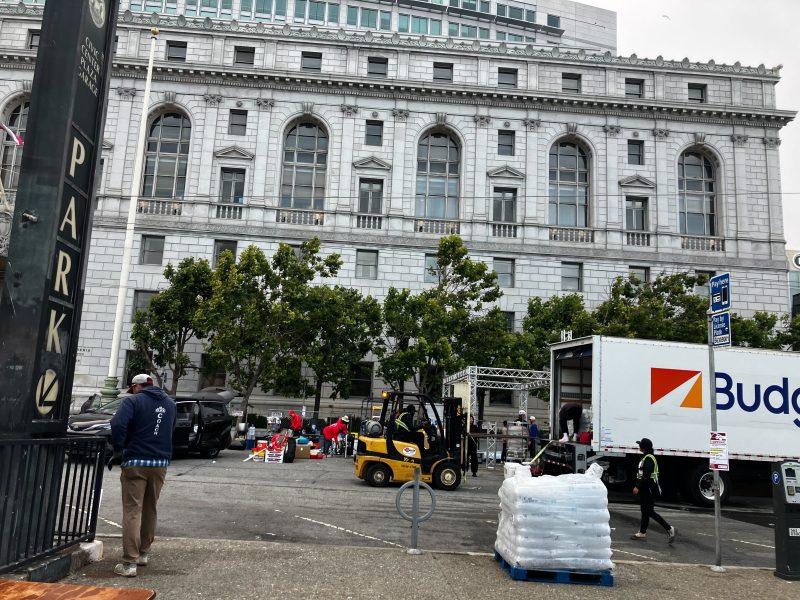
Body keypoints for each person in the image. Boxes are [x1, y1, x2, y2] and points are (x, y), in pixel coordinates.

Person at [109, 374, 176, 577]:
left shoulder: (133, 401)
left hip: (136, 461)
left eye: (132, 388)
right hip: (160, 463)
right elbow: (170, 429)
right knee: (150, 508)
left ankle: (129, 563)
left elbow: (118, 424)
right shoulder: (171, 404)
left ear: (137, 387)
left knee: (132, 510)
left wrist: (119, 449)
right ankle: (143, 553)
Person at [630, 438, 676, 544]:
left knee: (649, 511)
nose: (639, 446)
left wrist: (637, 486)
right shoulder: (647, 457)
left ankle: (669, 529)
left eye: (640, 445)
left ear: (644, 447)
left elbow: (646, 475)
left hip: (649, 488)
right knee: (645, 510)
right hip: (646, 488)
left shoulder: (649, 458)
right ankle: (642, 532)